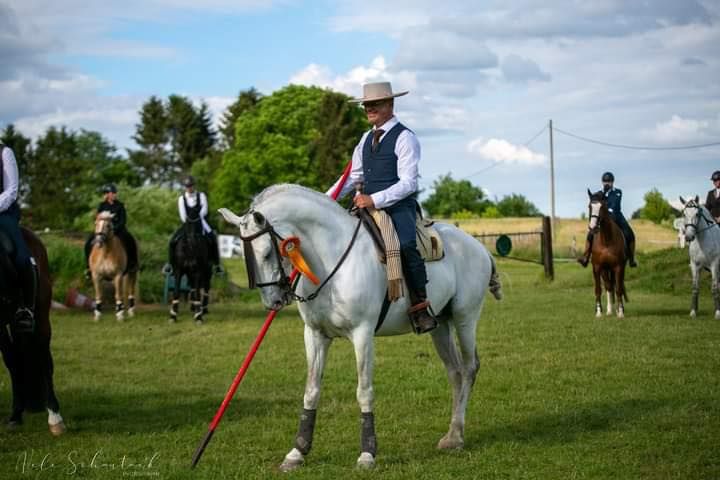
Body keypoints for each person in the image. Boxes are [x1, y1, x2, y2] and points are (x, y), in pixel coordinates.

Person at [326, 81, 436, 334]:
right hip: (366, 207)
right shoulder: (365, 138)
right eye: (366, 105)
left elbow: (409, 183)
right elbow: (353, 178)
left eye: (374, 104)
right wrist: (324, 199)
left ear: (389, 104)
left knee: (406, 244)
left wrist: (374, 199)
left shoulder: (405, 138)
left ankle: (420, 306)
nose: (368, 109)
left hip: (399, 207)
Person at [0, 142, 37, 332]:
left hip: (3, 212)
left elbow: (11, 191)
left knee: (20, 254)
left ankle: (26, 309)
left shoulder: (4, 152)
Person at [163, 176, 223, 275]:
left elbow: (205, 210)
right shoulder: (181, 199)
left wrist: (197, 218)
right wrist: (190, 221)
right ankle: (170, 264)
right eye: (187, 186)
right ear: (185, 187)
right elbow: (182, 215)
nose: (189, 188)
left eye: (190, 186)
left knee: (212, 238)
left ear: (194, 186)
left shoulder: (201, 195)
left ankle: (217, 265)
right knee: (172, 241)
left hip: (201, 222)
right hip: (187, 223)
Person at [579, 172, 637, 268]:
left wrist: (606, 211)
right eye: (605, 181)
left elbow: (615, 205)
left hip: (616, 216)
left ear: (612, 182)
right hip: (603, 218)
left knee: (629, 233)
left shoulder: (618, 192)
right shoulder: (599, 193)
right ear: (602, 182)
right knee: (590, 234)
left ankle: (631, 259)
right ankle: (586, 257)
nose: (607, 183)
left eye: (609, 182)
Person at [84, 184, 138, 278]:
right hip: (102, 230)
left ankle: (133, 264)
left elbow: (123, 220)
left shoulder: (120, 206)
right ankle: (88, 267)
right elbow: (97, 218)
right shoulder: (102, 205)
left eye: (114, 193)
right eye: (112, 193)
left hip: (118, 230)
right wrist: (99, 226)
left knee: (130, 239)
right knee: (88, 242)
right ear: (107, 194)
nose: (114, 195)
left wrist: (114, 229)